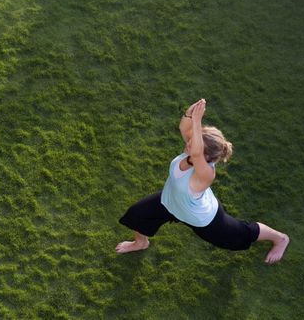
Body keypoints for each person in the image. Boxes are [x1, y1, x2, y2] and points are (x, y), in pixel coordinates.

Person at [115, 99, 289, 264]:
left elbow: (197, 152)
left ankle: (280, 238)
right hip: (170, 202)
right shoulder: (191, 150)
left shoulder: (206, 173)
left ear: (206, 156)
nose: (188, 143)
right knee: (136, 215)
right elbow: (184, 128)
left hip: (201, 217)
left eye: (194, 142)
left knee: (240, 235)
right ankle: (141, 243)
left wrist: (198, 122)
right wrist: (190, 114)